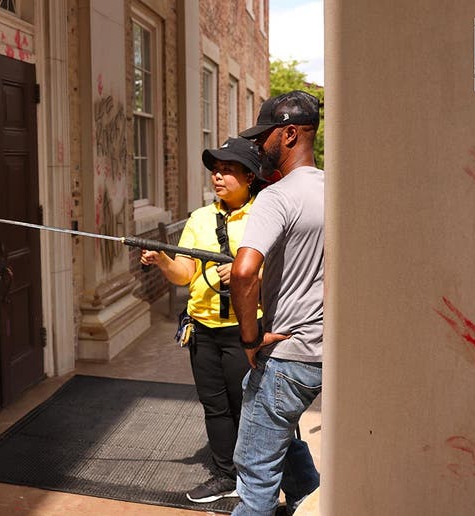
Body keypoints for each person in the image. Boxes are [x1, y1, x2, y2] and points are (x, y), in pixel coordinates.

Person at [140, 137, 264, 504]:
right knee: (215, 406)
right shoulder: (199, 219)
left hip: (244, 330)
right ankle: (225, 475)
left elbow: (277, 269)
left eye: (228, 170)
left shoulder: (265, 215)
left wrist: (245, 274)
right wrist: (164, 260)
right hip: (203, 329)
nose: (218, 176)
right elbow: (185, 274)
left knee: (247, 406)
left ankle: (254, 480)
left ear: (249, 176)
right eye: (215, 169)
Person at [229, 90, 324, 516]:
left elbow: (244, 271)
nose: (257, 145)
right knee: (283, 438)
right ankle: (309, 498)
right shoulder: (338, 190)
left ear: (288, 134)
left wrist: (250, 338)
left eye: (264, 136)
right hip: (326, 353)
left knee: (254, 472)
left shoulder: (277, 196)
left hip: (287, 356)